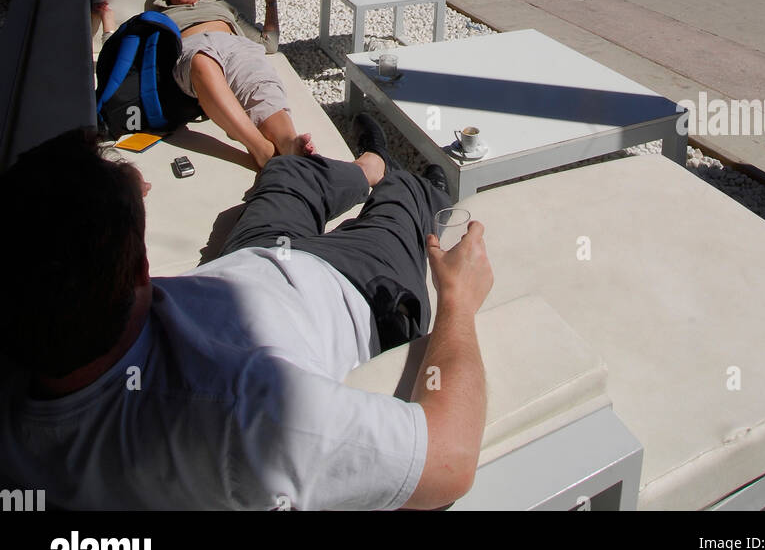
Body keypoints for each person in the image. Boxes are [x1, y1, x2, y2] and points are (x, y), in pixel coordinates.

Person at [0, 124, 493, 511]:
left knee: (286, 174)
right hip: (352, 285)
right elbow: (449, 461)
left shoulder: (32, 372)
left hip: (252, 256)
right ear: (141, 271)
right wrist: (458, 301)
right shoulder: (246, 411)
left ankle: (370, 165)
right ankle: (419, 188)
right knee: (401, 205)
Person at [93, 0, 309, 169]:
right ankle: (260, 149)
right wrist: (107, 22)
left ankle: (290, 143)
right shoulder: (160, 15)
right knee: (202, 60)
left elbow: (269, 43)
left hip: (234, 46)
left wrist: (270, 1)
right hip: (192, 48)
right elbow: (123, 53)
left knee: (260, 83)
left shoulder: (223, 6)